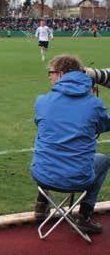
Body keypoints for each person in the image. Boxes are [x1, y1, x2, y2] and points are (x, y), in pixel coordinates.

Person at [32, 54, 110, 234]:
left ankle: (41, 205)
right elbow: (104, 125)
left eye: (50, 73)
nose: (49, 77)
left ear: (60, 74)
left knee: (51, 146)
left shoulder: (42, 101)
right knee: (103, 160)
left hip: (41, 174)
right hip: (77, 177)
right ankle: (84, 216)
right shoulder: (93, 104)